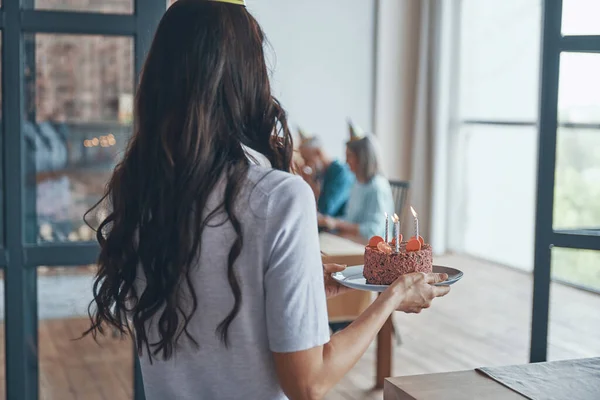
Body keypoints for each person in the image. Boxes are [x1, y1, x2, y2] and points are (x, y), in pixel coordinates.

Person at [83, 1, 450, 399]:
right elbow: (308, 383)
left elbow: (209, 310)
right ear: (246, 76)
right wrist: (391, 297)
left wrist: (296, 286)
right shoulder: (280, 197)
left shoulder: (142, 193)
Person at [318, 122, 395, 240]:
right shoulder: (357, 183)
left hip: (374, 248)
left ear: (362, 157)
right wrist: (331, 222)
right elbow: (350, 219)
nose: (346, 161)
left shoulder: (377, 187)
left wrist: (337, 224)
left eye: (349, 156)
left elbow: (373, 232)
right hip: (353, 240)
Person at [297, 130, 354, 217]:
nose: (306, 165)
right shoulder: (319, 174)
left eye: (307, 160)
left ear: (318, 153)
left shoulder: (340, 173)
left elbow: (325, 209)